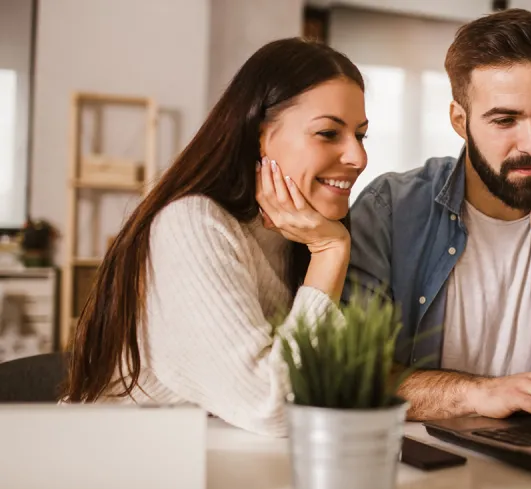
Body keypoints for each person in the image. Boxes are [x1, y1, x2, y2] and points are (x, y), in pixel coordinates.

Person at [62, 38, 369, 436]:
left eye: (361, 136)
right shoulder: (192, 225)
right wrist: (330, 253)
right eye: (328, 133)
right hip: (113, 458)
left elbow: (337, 389)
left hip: (211, 458)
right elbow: (272, 407)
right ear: (259, 137)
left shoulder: (301, 237)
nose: (358, 157)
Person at [345, 9, 531, 430]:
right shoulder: (389, 209)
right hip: (422, 458)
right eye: (505, 120)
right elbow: (354, 376)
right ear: (459, 121)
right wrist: (480, 393)